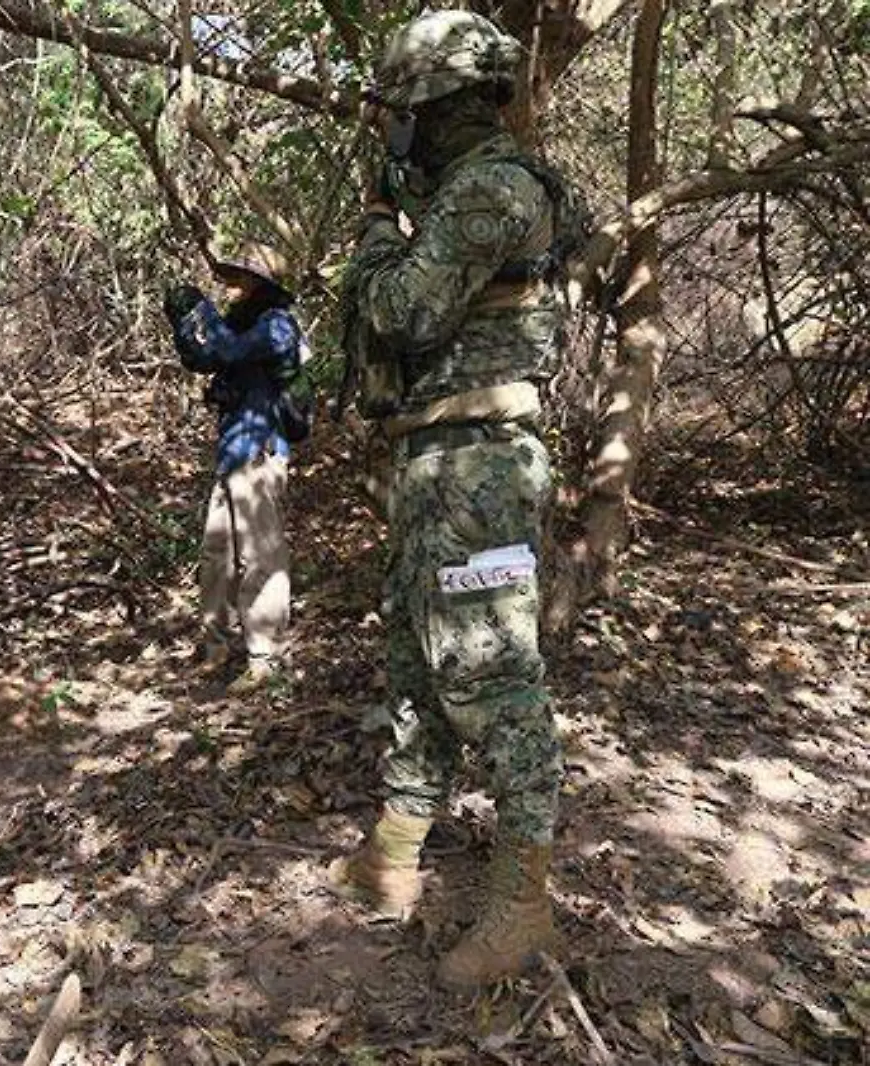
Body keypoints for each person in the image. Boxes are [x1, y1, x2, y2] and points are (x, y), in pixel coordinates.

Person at [330, 10, 587, 987]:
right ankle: (394, 854)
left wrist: (369, 238)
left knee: (489, 676)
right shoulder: (464, 192)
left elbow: (403, 310)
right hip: (439, 455)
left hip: (480, 464)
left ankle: (522, 901)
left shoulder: (491, 189)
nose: (395, 128)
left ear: (434, 103)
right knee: (416, 660)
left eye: (403, 111)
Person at [164, 246, 307, 694]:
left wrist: (202, 311)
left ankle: (265, 657)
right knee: (217, 554)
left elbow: (228, 351)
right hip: (231, 453)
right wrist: (183, 325)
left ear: (263, 284)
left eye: (243, 280)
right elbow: (204, 359)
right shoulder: (243, 321)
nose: (234, 288)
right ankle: (217, 645)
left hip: (260, 452)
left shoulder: (277, 324)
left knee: (260, 554)